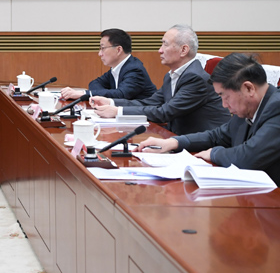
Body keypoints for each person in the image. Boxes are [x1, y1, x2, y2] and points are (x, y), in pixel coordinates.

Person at [137, 53, 280, 184]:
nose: (224, 105)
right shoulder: (247, 107)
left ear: (248, 88)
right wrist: (173, 142)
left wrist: (213, 153)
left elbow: (248, 158)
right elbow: (217, 136)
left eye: (225, 96)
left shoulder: (276, 107)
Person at [90, 24, 230, 135]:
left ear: (183, 50)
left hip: (204, 147)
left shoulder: (195, 78)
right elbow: (150, 102)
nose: (160, 50)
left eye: (165, 44)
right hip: (179, 138)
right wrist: (111, 102)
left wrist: (117, 111)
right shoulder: (171, 76)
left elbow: (165, 112)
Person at [60, 28, 157, 101]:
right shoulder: (117, 68)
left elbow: (121, 95)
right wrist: (101, 95)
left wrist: (84, 94)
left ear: (118, 50)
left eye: (103, 48)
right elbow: (94, 83)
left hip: (146, 120)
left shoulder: (134, 70)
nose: (99, 54)